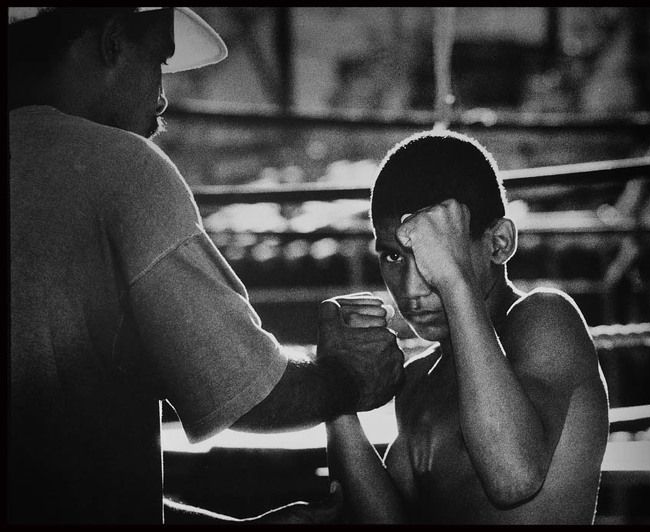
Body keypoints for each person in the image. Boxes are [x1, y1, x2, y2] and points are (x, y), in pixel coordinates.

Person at [8, 7, 403, 524]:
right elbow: (247, 392)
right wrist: (350, 378)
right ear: (112, 42)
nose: (162, 98)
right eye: (159, 61)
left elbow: (47, 484)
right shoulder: (122, 169)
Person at [325, 130, 610, 524]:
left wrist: (454, 280)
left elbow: (513, 479)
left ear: (499, 243)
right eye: (393, 257)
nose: (411, 288)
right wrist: (335, 390)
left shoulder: (545, 319)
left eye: (433, 255)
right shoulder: (418, 381)